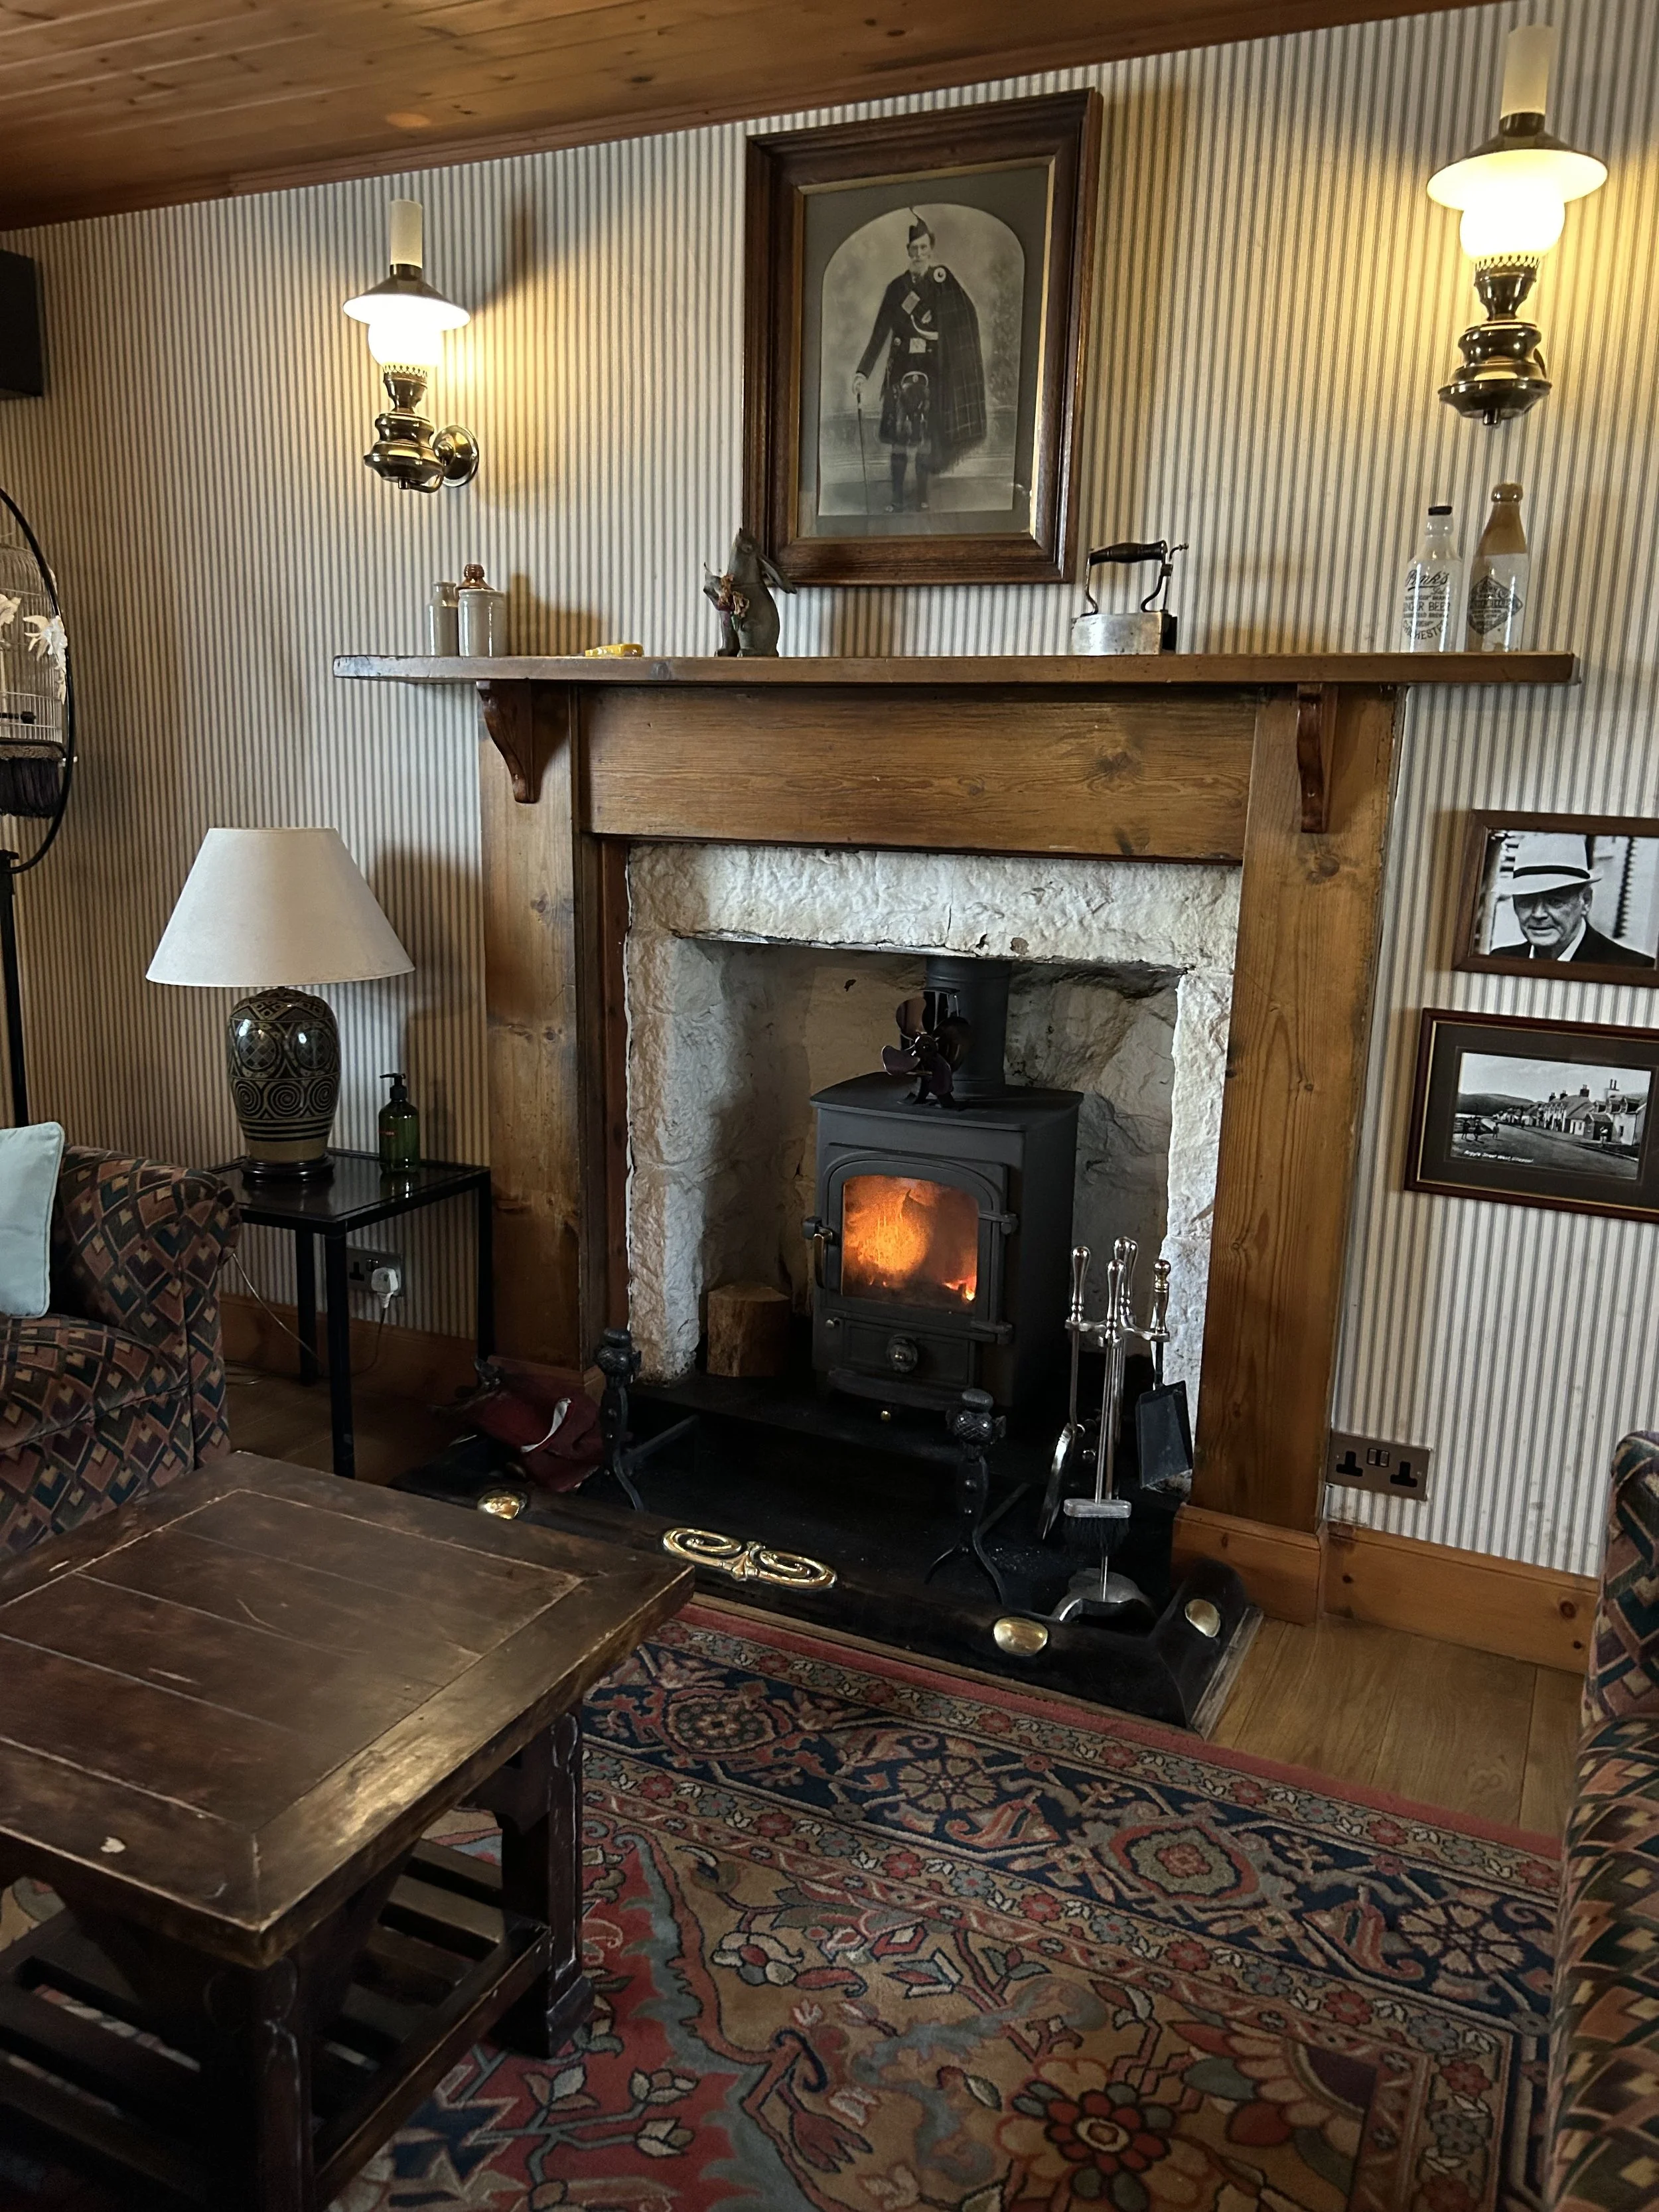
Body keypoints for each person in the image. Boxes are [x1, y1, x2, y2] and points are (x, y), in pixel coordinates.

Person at [852, 214, 986, 513]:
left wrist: (944, 339)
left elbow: (962, 320)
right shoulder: (896, 289)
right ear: (907, 250)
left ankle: (923, 499)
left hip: (932, 370)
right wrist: (863, 373)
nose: (919, 255)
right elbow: (879, 335)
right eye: (914, 249)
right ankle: (897, 499)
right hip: (900, 370)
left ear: (931, 248)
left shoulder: (942, 284)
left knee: (926, 437)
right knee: (899, 438)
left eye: (924, 248)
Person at [1490, 832, 1655, 966]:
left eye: (1555, 901)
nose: (1538, 914)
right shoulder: (1500, 960)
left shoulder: (1634, 968)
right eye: (1527, 901)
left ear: (1586, 901)